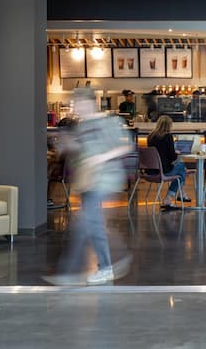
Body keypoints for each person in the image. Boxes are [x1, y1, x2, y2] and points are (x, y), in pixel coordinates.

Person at [43, 88, 132, 286]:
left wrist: (101, 157)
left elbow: (126, 146)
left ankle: (92, 269)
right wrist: (66, 145)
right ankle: (111, 261)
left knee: (88, 222)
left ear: (90, 102)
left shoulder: (109, 122)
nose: (76, 108)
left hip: (107, 178)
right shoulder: (81, 127)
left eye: (78, 103)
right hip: (88, 181)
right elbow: (80, 152)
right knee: (90, 224)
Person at [147, 115, 191, 211]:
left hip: (151, 171)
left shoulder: (150, 137)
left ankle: (182, 193)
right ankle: (171, 197)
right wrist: (176, 153)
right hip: (163, 170)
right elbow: (172, 157)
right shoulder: (168, 137)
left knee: (181, 168)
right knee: (182, 168)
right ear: (169, 126)